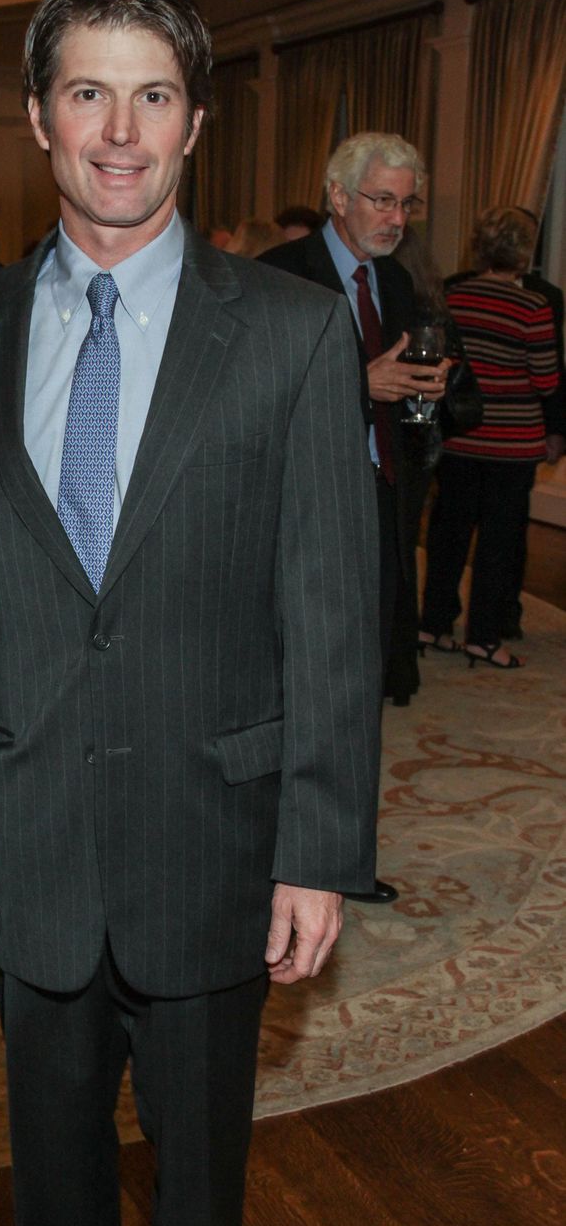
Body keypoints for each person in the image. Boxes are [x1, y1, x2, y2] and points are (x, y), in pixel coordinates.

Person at [0, 0, 381, 1226]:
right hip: (30, 844)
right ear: (40, 116)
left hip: (217, 840)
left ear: (197, 123)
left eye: (153, 96)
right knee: (51, 1192)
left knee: (202, 1199)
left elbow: (331, 603)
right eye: (90, 92)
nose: (121, 131)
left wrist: (319, 848)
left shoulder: (296, 336)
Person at [261, 132, 447, 898]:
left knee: (359, 687)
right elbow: (252, 401)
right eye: (382, 198)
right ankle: (270, 852)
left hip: (379, 509)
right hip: (293, 515)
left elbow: (406, 408)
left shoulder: (397, 284)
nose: (396, 216)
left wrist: (427, 400)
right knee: (287, 687)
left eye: (406, 203)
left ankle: (345, 859)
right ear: (337, 197)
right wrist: (354, 381)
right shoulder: (277, 277)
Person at [420, 207, 559, 668]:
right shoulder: (533, 306)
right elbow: (545, 380)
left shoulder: (453, 296)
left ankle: (434, 625)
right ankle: (482, 637)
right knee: (498, 543)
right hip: (512, 444)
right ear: (523, 253)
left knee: (448, 535)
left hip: (460, 437)